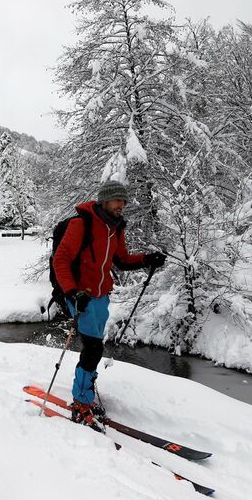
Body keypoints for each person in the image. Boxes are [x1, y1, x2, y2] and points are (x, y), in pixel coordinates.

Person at [51, 180, 165, 428]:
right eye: (117, 201)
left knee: (94, 348)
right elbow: (61, 259)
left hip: (101, 296)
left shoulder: (115, 228)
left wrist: (147, 259)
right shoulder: (82, 224)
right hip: (81, 296)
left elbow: (121, 260)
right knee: (92, 349)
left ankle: (86, 391)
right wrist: (72, 293)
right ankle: (81, 402)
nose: (122, 205)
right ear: (104, 201)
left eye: (124, 201)